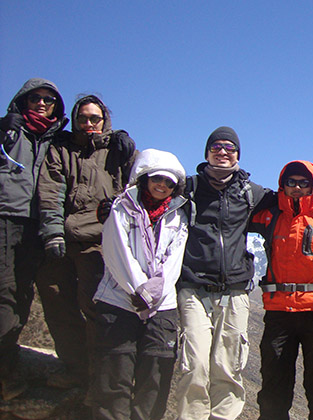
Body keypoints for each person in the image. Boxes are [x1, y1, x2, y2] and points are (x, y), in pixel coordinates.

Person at [36, 94, 135, 389]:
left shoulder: (117, 150)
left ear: (105, 120)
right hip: (62, 239)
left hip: (100, 242)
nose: (89, 124)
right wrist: (52, 231)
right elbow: (49, 191)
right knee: (56, 302)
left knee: (96, 309)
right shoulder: (61, 149)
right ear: (76, 119)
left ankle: (103, 379)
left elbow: (139, 186)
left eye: (95, 118)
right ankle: (75, 368)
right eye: (83, 118)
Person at [174, 126, 271, 420]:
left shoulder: (251, 193)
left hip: (235, 292)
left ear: (238, 155)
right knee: (195, 366)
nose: (223, 152)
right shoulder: (187, 188)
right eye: (217, 147)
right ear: (207, 153)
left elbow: (293, 201)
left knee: (228, 368)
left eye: (230, 148)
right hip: (193, 288)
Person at [88, 148, 187, 420]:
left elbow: (174, 259)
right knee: (114, 375)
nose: (162, 186)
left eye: (169, 182)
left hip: (161, 305)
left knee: (155, 376)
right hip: (119, 298)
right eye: (157, 179)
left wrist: (154, 291)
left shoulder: (178, 215)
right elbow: (117, 251)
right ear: (144, 178)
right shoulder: (120, 207)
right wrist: (139, 289)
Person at [251, 160, 313, 420]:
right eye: (290, 183)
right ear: (282, 185)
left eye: (303, 183)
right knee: (274, 381)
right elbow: (238, 212)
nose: (296, 188)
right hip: (278, 313)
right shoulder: (269, 216)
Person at [0, 78, 68, 400]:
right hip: (4, 219)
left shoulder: (57, 140)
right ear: (23, 101)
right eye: (35, 98)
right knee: (5, 296)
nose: (42, 104)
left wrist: (121, 140)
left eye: (48, 100)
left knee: (21, 299)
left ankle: (7, 371)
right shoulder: (9, 132)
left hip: (36, 228)